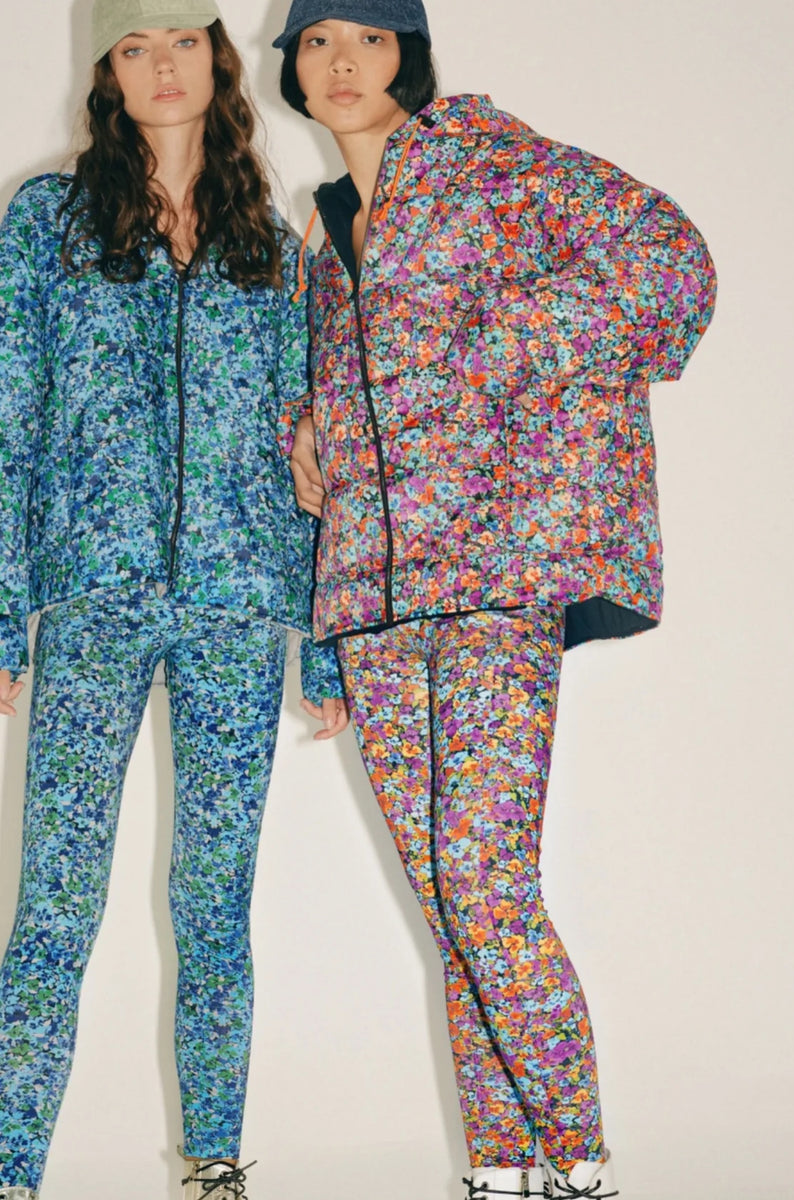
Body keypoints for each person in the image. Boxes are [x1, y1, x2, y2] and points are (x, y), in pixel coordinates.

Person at [275, 1, 716, 1196]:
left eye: (369, 38)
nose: (342, 60)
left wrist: (496, 345)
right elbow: (350, 394)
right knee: (449, 912)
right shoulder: (322, 231)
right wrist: (309, 432)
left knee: (485, 892)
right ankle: (502, 1172)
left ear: (407, 58)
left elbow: (671, 262)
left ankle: (578, 1163)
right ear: (293, 71)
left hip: (493, 575)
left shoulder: (494, 167)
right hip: (372, 597)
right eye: (317, 41)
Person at [0, 1, 348, 1197]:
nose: (161, 66)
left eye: (182, 42)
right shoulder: (48, 219)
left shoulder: (275, 243)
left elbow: (316, 443)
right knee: (55, 905)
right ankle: (11, 1169)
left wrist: (326, 639)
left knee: (214, 908)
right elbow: (9, 416)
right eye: (135, 47)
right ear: (108, 69)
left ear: (216, 58)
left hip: (238, 605)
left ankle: (213, 1171)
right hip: (92, 598)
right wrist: (2, 606)